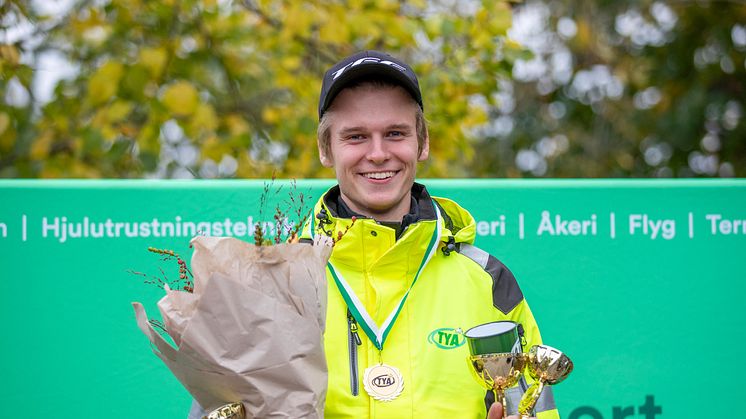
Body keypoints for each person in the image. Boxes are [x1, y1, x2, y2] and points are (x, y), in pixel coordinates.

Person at [189, 51, 558, 418]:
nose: (378, 154)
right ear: (325, 148)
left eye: (395, 133)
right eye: (356, 136)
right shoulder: (270, 284)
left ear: (422, 142)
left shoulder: (488, 283)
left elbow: (535, 410)